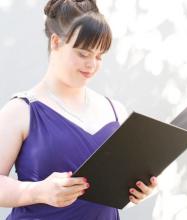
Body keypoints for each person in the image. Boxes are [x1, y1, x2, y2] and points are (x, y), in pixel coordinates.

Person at [0, 0, 158, 219]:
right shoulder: (20, 110)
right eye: (83, 54)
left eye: (99, 56)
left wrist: (137, 191)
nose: (92, 65)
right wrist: (37, 192)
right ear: (56, 42)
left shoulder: (116, 111)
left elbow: (117, 188)